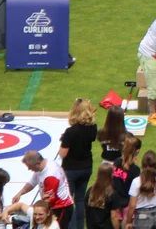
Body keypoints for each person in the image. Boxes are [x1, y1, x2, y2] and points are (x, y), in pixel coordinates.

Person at [58, 98, 97, 229]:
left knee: (69, 201)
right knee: (80, 200)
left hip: (71, 169)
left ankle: (71, 226)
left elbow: (63, 153)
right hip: (86, 167)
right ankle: (79, 226)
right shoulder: (93, 128)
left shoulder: (71, 132)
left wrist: (63, 139)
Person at [9, 151, 74, 226]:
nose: (29, 169)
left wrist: (29, 209)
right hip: (53, 205)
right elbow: (32, 182)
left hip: (60, 207)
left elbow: (47, 202)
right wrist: (20, 193)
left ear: (38, 162)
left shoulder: (50, 176)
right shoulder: (43, 165)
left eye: (30, 166)